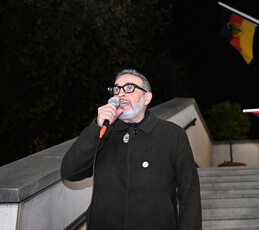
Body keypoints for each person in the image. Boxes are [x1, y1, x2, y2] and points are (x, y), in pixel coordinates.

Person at [61, 69, 202, 230]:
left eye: (129, 88)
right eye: (116, 89)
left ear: (147, 97)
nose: (120, 94)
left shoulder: (173, 135)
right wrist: (96, 128)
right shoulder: (103, 133)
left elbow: (189, 192)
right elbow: (70, 172)